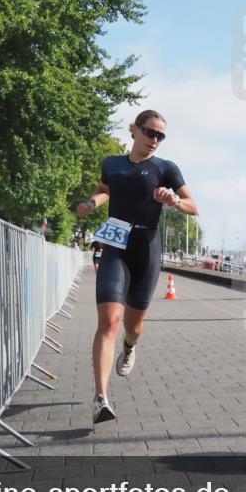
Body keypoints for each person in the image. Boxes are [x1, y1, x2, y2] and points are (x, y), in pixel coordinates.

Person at [76, 109, 198, 424]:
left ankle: (130, 347)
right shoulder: (111, 163)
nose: (155, 140)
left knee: (132, 326)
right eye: (150, 132)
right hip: (114, 242)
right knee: (108, 321)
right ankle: (100, 398)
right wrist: (92, 203)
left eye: (161, 135)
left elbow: (193, 207)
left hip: (146, 248)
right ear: (135, 130)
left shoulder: (166, 168)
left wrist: (173, 201)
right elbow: (106, 191)